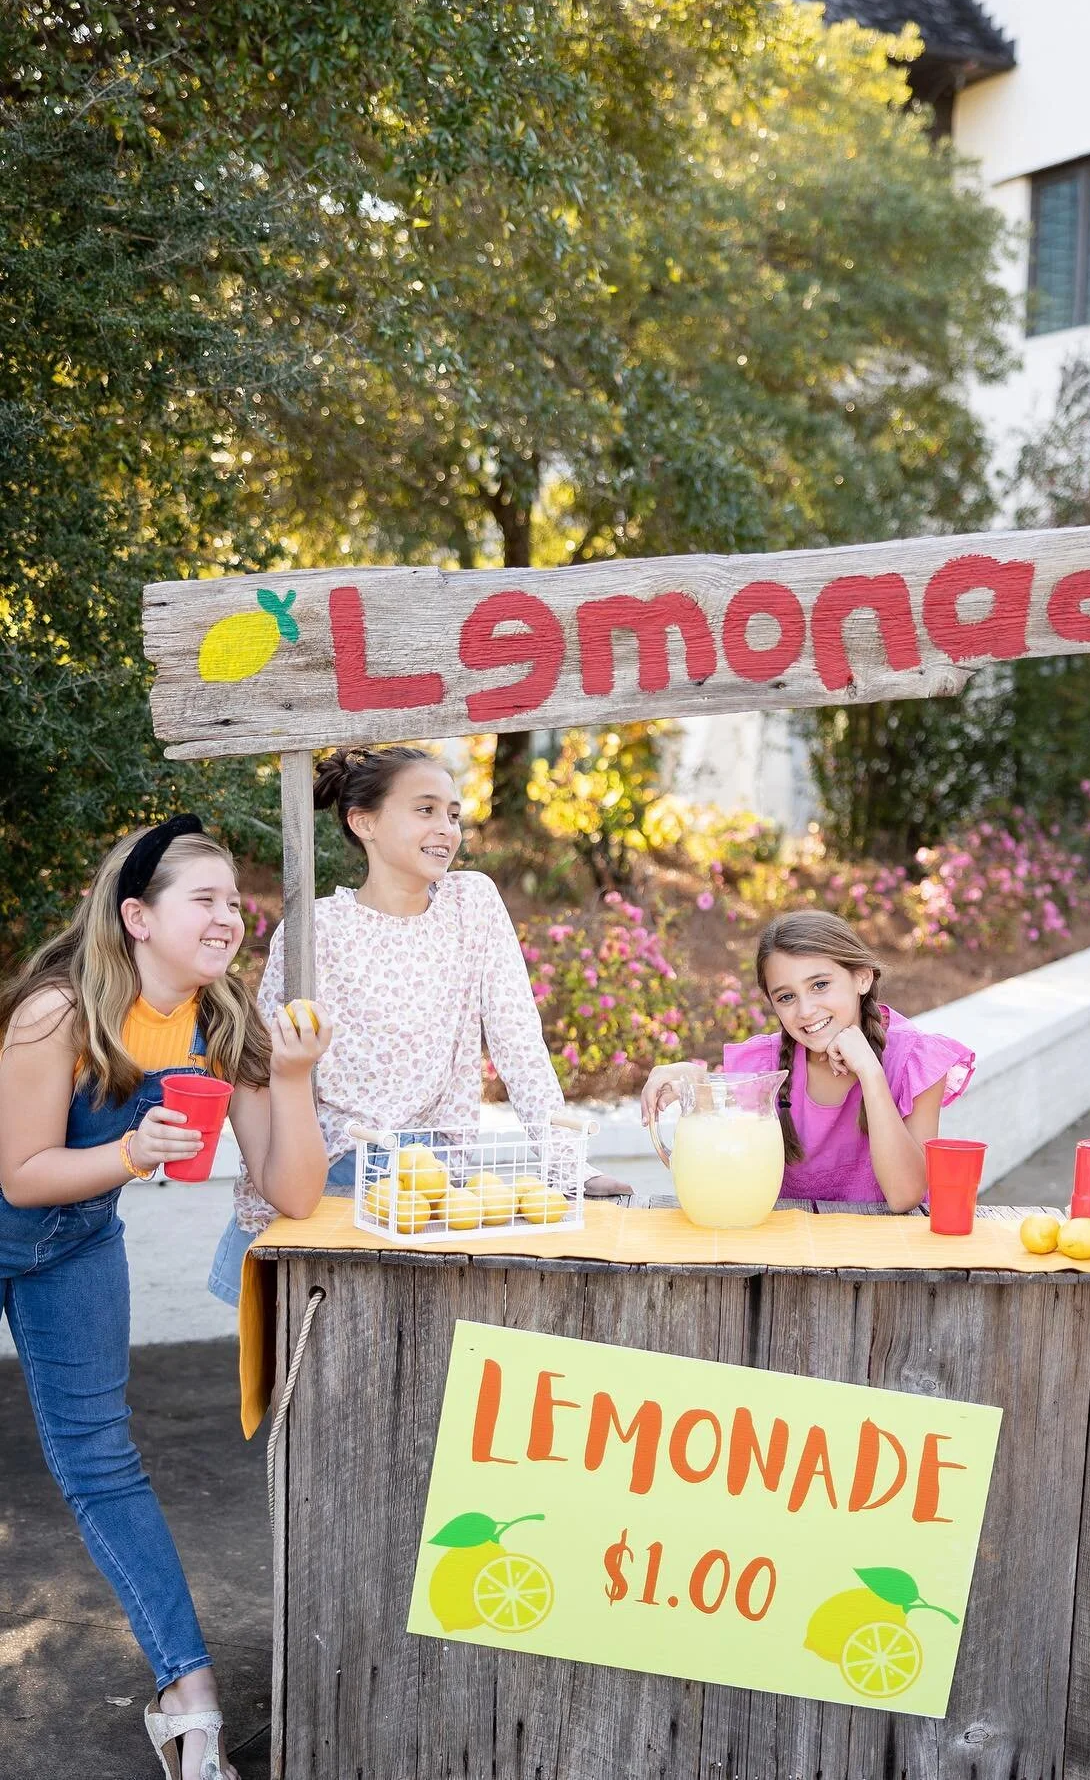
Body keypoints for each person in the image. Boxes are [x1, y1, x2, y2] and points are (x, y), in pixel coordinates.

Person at [0, 816, 331, 1780]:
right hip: (27, 1203)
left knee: (102, 1462)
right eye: (206, 898)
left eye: (236, 900)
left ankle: (188, 1699)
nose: (231, 916)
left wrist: (298, 1078)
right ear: (138, 917)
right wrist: (129, 1153)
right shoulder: (55, 1015)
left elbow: (294, 1190)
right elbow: (19, 1172)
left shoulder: (224, 1023)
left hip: (74, 1245)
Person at [208, 745, 624, 1303]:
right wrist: (274, 1190)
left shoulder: (470, 903)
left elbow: (517, 1035)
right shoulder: (316, 930)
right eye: (425, 810)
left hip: (436, 1178)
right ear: (365, 823)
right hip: (337, 1176)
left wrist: (565, 1163)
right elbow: (262, 1067)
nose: (446, 829)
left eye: (453, 813)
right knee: (320, 1375)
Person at [641, 909, 973, 1209]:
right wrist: (696, 1084)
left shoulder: (914, 1059)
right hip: (784, 1262)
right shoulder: (765, 1066)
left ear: (862, 977)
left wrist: (871, 1073)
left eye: (820, 985)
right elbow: (720, 1167)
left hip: (884, 1262)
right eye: (786, 997)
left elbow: (905, 1195)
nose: (805, 1010)